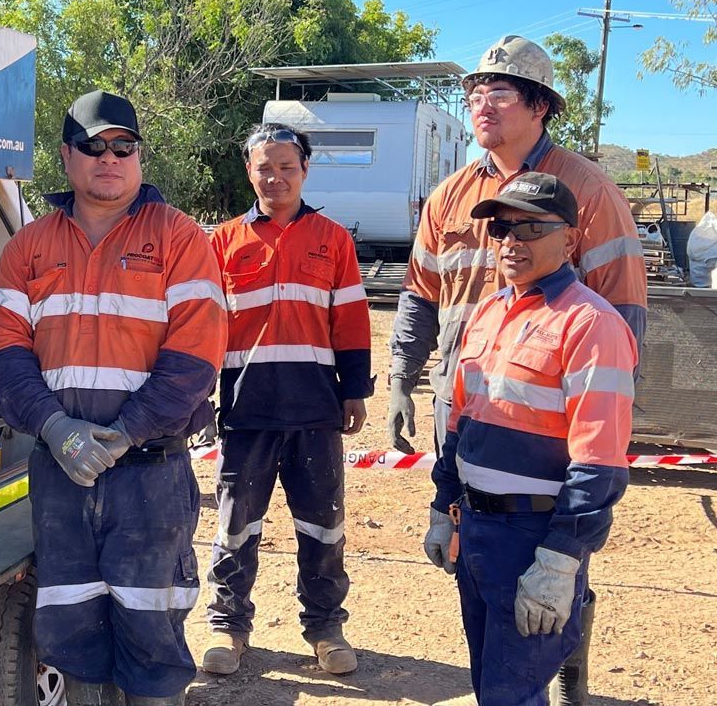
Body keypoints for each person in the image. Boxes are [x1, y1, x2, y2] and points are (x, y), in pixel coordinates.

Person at [387, 35, 647, 705]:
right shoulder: (451, 197)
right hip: (468, 410)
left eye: (499, 92)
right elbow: (420, 294)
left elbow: (622, 319)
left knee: (555, 564)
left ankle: (563, 672)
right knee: (482, 570)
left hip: (553, 422)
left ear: (539, 105)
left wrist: (603, 424)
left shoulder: (587, 191)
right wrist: (401, 378)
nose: (480, 104)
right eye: (474, 93)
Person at [0, 90, 227, 706]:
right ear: (67, 157)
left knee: (151, 634)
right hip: (60, 479)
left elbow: (196, 359)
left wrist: (128, 432)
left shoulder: (180, 239)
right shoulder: (28, 247)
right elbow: (3, 356)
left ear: (139, 155)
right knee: (71, 633)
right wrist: (56, 429)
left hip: (151, 477)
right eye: (93, 146)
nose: (109, 157)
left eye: (123, 146)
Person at [423, 172, 637, 706]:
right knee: (491, 684)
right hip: (476, 530)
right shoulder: (491, 312)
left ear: (569, 237)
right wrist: (442, 503)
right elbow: (460, 424)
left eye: (529, 228)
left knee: (510, 693)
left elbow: (600, 460)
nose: (511, 241)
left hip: (533, 537)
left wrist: (561, 559)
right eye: (501, 228)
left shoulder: (592, 324)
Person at [202, 123, 374, 677]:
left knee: (322, 527)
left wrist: (355, 391)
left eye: (287, 167)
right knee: (236, 526)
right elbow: (202, 326)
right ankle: (229, 626)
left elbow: (350, 319)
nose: (275, 177)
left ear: (305, 171)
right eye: (264, 167)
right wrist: (200, 395)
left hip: (315, 411)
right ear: (248, 172)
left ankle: (326, 628)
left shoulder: (332, 239)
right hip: (246, 411)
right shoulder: (221, 242)